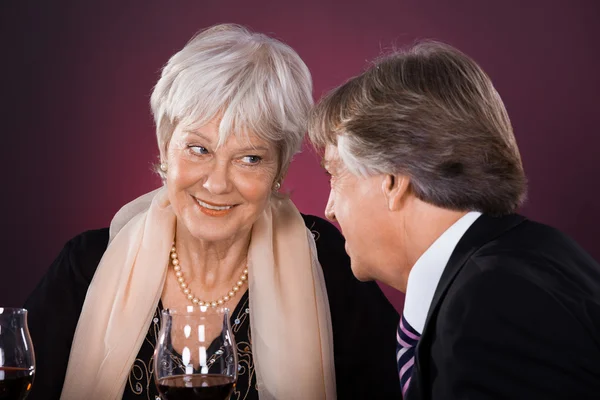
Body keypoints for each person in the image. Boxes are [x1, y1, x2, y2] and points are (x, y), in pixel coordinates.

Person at [24, 24, 401, 400]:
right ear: (165, 147)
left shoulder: (329, 259)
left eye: (250, 158)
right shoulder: (85, 266)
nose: (217, 184)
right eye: (199, 149)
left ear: (279, 170)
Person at [308, 41, 600, 399]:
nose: (330, 209)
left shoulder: (493, 304)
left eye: (334, 175)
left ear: (393, 181)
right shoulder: (537, 255)